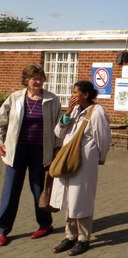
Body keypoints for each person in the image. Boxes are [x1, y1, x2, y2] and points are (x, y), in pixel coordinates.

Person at [0, 64, 61, 247]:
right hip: (16, 150)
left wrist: (57, 150)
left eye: (41, 77)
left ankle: (45, 224)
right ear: (26, 80)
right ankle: (2, 229)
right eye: (34, 78)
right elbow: (1, 120)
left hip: (40, 151)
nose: (38, 81)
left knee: (39, 189)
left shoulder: (52, 99)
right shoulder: (15, 98)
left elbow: (58, 128)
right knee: (10, 190)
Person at [50, 81, 111, 256]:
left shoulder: (97, 112)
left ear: (85, 95)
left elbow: (104, 139)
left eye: (75, 92)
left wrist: (98, 158)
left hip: (85, 163)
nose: (72, 95)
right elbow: (58, 133)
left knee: (81, 200)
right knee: (70, 200)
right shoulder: (75, 110)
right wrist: (67, 113)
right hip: (68, 161)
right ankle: (70, 236)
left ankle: (83, 239)